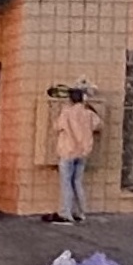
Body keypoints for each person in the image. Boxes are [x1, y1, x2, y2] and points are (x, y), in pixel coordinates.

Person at [48, 86, 102, 225]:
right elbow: (98, 125)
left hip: (68, 151)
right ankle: (80, 212)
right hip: (83, 152)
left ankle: (66, 213)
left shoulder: (67, 112)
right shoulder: (89, 113)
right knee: (77, 182)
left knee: (66, 183)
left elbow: (56, 126)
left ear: (70, 99)